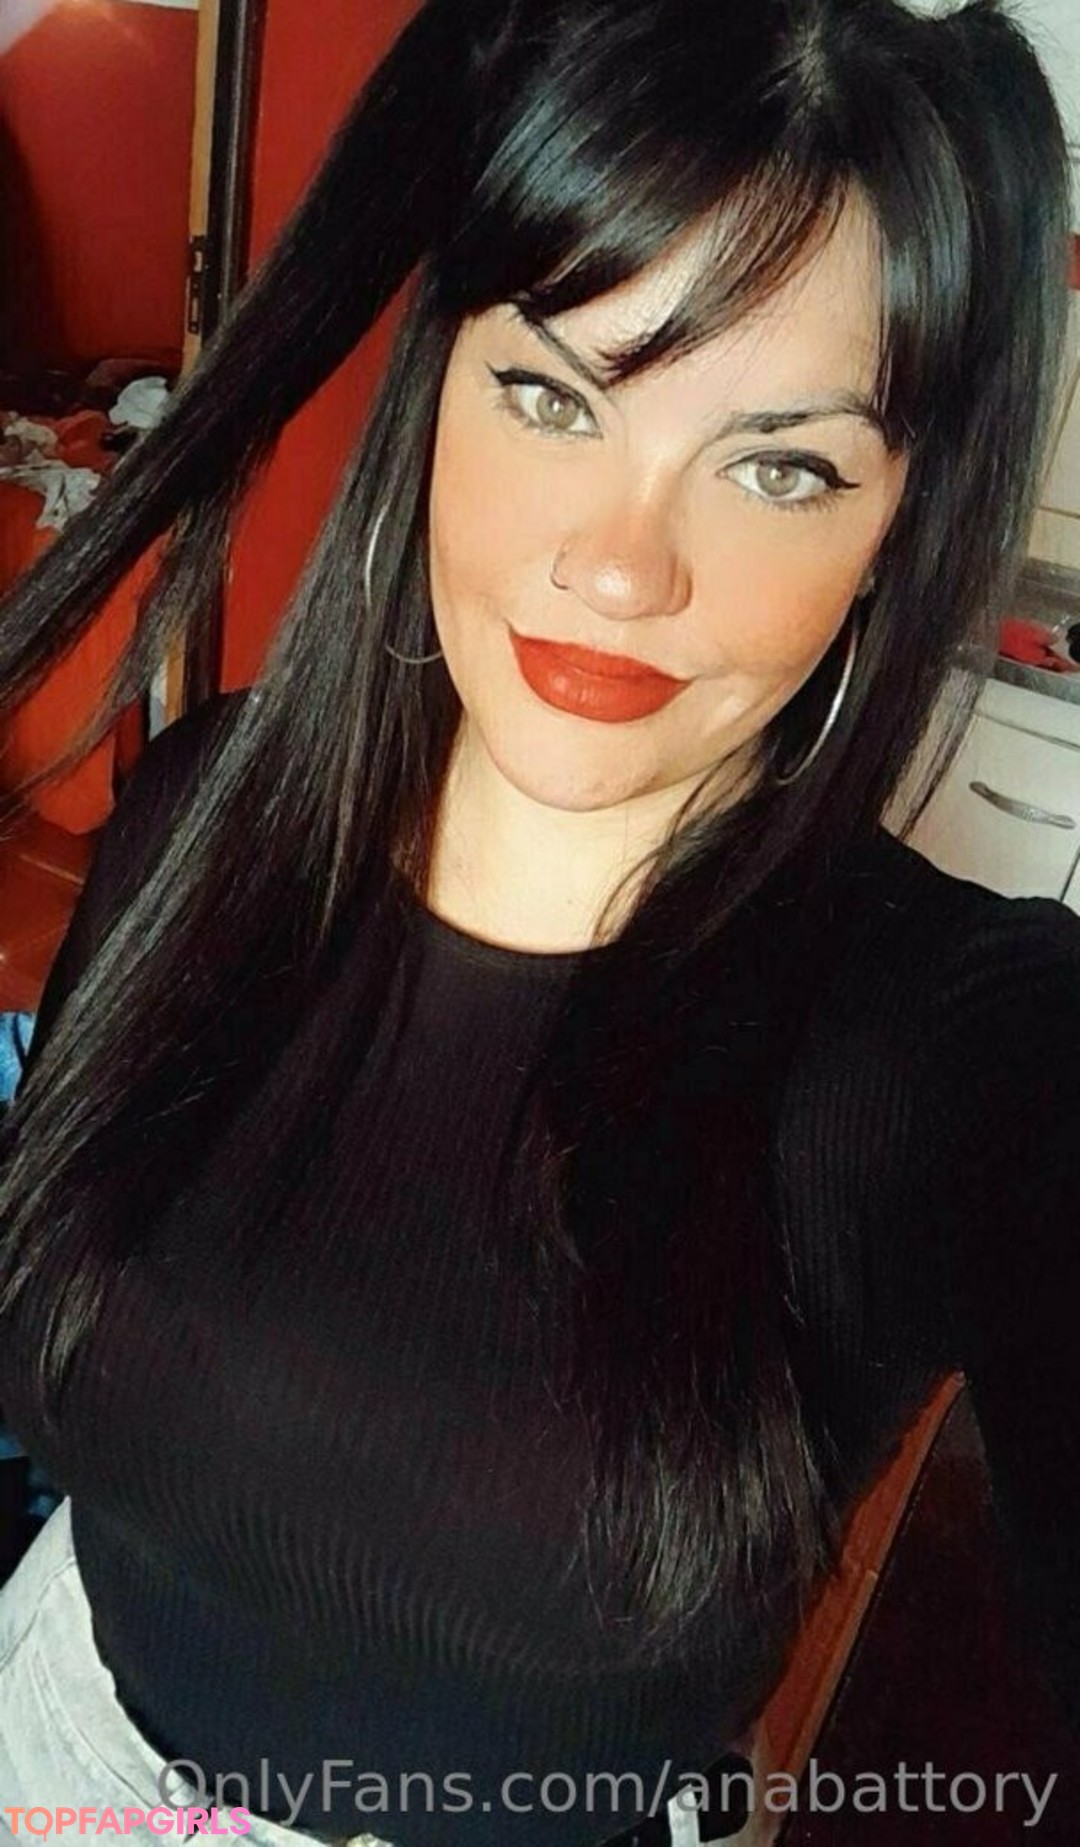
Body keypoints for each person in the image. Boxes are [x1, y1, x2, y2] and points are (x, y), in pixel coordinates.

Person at [0, 0, 1078, 1843]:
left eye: (781, 464)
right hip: (56, 1744)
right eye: (555, 397)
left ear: (897, 525)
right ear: (441, 387)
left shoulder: (946, 1057)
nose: (617, 564)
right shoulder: (201, 811)